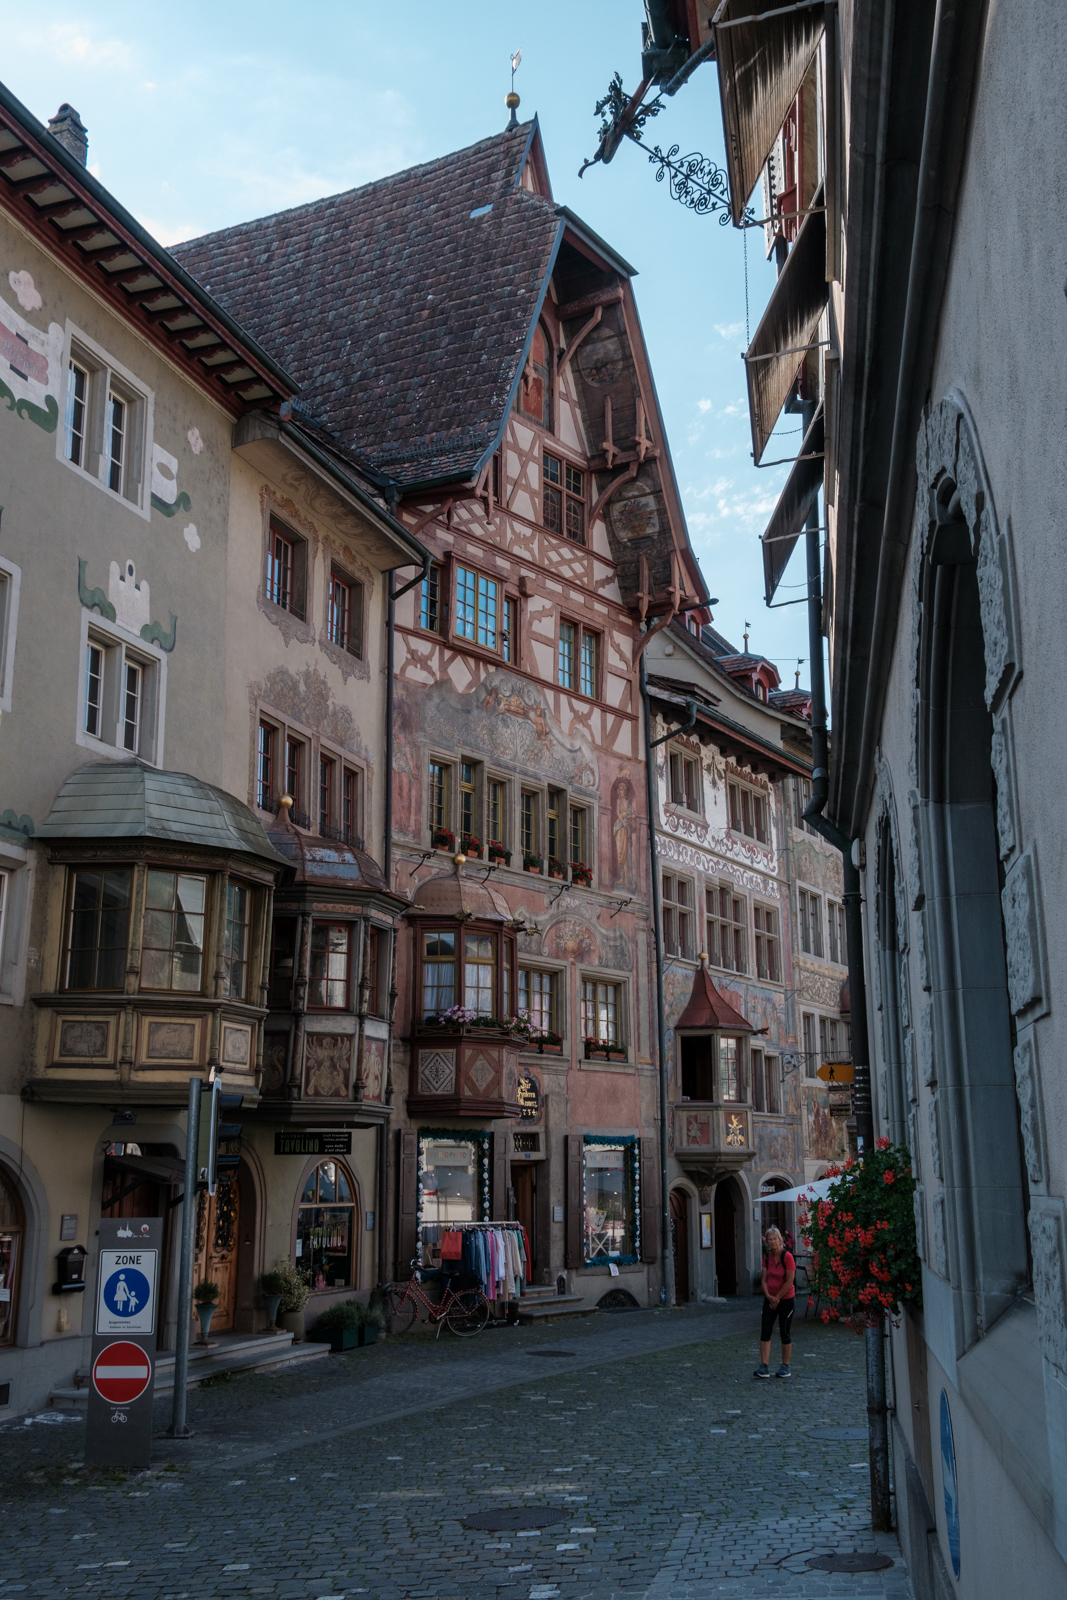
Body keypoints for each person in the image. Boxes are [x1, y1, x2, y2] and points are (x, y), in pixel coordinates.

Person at [754, 1225, 795, 1378]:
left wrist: (777, 1298)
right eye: (769, 1239)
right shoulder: (767, 1257)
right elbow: (764, 1279)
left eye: (774, 1239)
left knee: (784, 1331)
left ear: (780, 1240)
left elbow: (789, 1281)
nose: (772, 1242)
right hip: (770, 1299)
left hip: (786, 1299)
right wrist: (769, 1296)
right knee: (765, 1331)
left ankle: (785, 1365)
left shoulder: (788, 1257)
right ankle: (764, 1366)